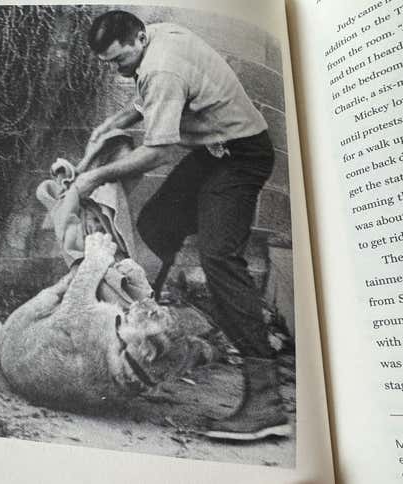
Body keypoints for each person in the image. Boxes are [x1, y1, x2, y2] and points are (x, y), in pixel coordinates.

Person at [75, 10, 289, 441]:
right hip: (214, 151)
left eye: (121, 62)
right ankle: (150, 334)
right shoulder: (156, 39)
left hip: (241, 159)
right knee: (156, 225)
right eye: (110, 65)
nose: (120, 72)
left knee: (220, 260)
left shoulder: (160, 67)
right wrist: (112, 123)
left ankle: (266, 400)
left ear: (138, 38)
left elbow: (158, 149)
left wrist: (94, 176)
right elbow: (154, 94)